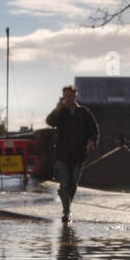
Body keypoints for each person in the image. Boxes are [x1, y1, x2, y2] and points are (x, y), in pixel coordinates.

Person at [45, 85, 99, 222]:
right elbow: (49, 122)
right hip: (62, 155)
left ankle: (67, 207)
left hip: (79, 155)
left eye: (70, 96)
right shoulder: (60, 112)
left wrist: (92, 141)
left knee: (73, 184)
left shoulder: (83, 112)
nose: (67, 99)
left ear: (75, 96)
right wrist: (56, 111)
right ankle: (66, 211)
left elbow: (94, 129)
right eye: (65, 96)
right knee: (65, 183)